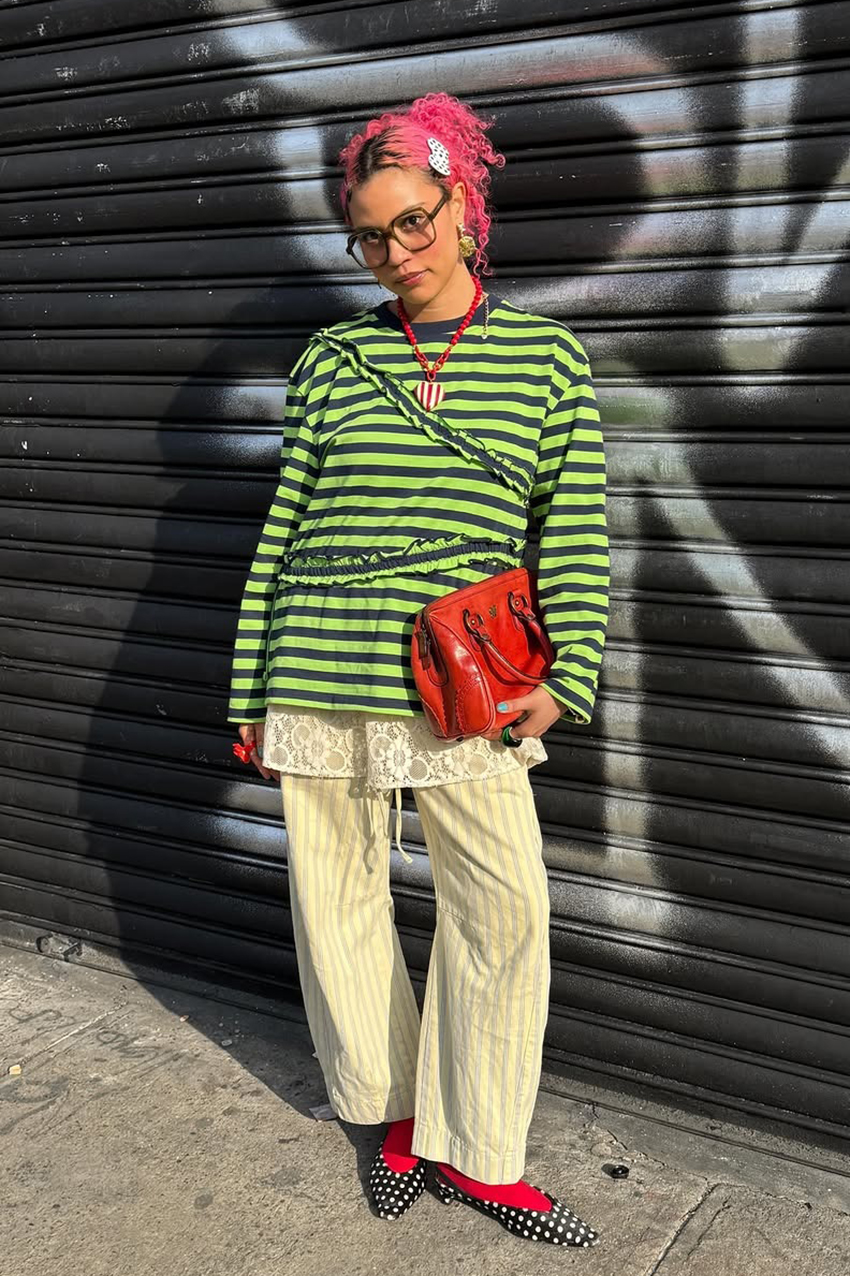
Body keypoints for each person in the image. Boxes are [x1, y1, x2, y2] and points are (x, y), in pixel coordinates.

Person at [227, 91, 608, 1248]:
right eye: (371, 234)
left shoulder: (546, 356)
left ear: (464, 207)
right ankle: (395, 1116)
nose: (396, 254)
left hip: (461, 684)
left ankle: (480, 1149)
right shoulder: (331, 357)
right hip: (315, 661)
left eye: (414, 222)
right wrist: (250, 689)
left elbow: (575, 532)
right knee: (336, 905)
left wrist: (572, 664)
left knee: (502, 906)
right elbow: (283, 528)